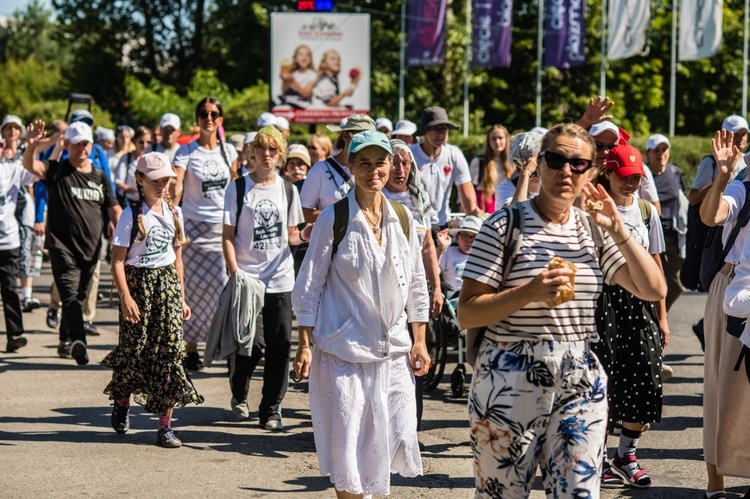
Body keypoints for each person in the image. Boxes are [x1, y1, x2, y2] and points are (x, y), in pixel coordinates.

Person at [458, 123, 666, 496]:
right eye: (556, 160)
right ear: (539, 164)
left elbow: (653, 289)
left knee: (579, 493)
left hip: (578, 371)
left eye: (578, 163)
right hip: (509, 371)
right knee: (502, 493)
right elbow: (468, 313)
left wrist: (618, 228)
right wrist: (530, 291)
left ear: (591, 170)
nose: (566, 171)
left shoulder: (594, 228)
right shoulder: (504, 225)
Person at [292, 130, 430, 497]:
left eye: (380, 162)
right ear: (350, 165)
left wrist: (420, 340)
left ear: (392, 165)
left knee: (383, 448)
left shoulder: (402, 217)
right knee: (349, 453)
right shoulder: (333, 219)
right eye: (364, 163)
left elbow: (417, 281)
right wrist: (304, 343)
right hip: (344, 353)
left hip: (392, 353)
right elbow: (309, 284)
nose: (374, 171)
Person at [103, 151, 203, 448]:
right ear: (140, 180)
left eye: (167, 179)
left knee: (171, 352)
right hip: (138, 285)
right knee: (135, 351)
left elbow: (178, 260)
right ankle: (122, 401)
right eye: (156, 180)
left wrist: (182, 297)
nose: (163, 185)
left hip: (167, 285)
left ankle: (165, 426)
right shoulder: (130, 215)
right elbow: (118, 261)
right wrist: (125, 298)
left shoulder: (175, 213)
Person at [222, 126, 307, 430]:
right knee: (252, 344)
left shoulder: (287, 190)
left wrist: (309, 231)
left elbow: (293, 234)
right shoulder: (238, 188)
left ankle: (271, 409)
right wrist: (235, 273)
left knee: (280, 345)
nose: (267, 154)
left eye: (273, 150)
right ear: (252, 153)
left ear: (281, 155)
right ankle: (239, 390)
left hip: (281, 278)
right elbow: (228, 236)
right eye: (262, 149)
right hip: (248, 279)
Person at [593, 145, 667, 489]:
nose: (631, 183)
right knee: (602, 380)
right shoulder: (592, 206)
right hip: (602, 301)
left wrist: (662, 317)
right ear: (607, 173)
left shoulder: (646, 211)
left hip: (640, 301)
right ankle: (599, 457)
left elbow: (656, 263)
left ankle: (627, 454)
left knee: (646, 378)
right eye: (624, 177)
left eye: (636, 177)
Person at [23, 120, 121, 365]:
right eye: (77, 144)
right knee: (70, 296)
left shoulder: (99, 176)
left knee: (79, 295)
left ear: (91, 145)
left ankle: (65, 339)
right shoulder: (58, 170)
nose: (82, 149)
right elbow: (31, 167)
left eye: (86, 144)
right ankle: (79, 341)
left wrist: (124, 232)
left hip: (91, 250)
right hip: (61, 247)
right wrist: (31, 147)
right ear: (67, 145)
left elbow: (114, 207)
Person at [697, 129, 750, 499]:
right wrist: (723, 175)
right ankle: (716, 480)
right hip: (734, 291)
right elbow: (711, 215)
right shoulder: (744, 185)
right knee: (722, 387)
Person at [173, 97, 238, 370]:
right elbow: (176, 187)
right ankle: (191, 349)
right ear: (197, 119)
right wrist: (167, 213)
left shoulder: (229, 152)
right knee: (192, 289)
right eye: (203, 114)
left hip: (221, 229)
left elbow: (235, 186)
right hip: (193, 229)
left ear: (220, 120)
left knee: (220, 289)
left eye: (213, 114)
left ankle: (218, 344)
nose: (208, 118)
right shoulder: (185, 152)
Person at [0, 115, 38, 353]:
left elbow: (35, 174)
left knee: (10, 289)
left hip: (9, 240)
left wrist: (33, 146)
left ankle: (14, 334)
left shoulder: (13, 169)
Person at [299, 115, 375, 223]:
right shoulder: (320, 170)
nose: (364, 143)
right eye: (359, 137)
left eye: (370, 139)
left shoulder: (375, 170)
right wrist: (342, 215)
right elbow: (304, 213)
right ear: (345, 136)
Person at [411, 106, 477, 227]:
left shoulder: (454, 154)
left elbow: (467, 194)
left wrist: (473, 222)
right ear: (424, 131)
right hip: (416, 225)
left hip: (443, 225)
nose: (440, 133)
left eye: (444, 128)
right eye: (434, 128)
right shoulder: (410, 156)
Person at [646, 133, 689, 311]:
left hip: (673, 237)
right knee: (652, 283)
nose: (661, 154)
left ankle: (658, 316)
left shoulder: (674, 172)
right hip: (650, 239)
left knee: (676, 286)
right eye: (656, 150)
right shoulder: (643, 174)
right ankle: (654, 319)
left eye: (664, 149)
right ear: (647, 153)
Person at [589, 121, 661, 212]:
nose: (605, 151)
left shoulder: (638, 167)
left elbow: (655, 210)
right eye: (598, 146)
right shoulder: (577, 170)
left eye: (611, 147)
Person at [494, 131, 544, 208]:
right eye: (533, 171)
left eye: (540, 169)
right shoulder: (506, 187)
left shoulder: (550, 187)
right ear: (517, 164)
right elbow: (515, 212)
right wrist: (526, 173)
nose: (537, 175)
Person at [470, 125, 512, 214]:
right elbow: (470, 189)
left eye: (500, 138)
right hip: (484, 204)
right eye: (493, 138)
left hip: (506, 201)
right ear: (489, 141)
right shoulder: (479, 161)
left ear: (506, 139)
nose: (497, 141)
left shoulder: (513, 161)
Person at [439, 216, 482, 295]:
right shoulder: (448, 252)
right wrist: (441, 249)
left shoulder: (483, 256)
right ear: (457, 237)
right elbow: (433, 271)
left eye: (474, 237)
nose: (469, 241)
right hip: (455, 300)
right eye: (465, 235)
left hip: (478, 297)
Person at [115, 126, 151, 205]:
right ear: (134, 141)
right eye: (141, 142)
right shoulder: (126, 158)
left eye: (148, 142)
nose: (145, 146)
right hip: (128, 202)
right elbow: (118, 183)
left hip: (145, 202)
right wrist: (134, 190)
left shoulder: (151, 159)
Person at [279, 44, 317, 109]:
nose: (304, 57)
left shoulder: (312, 74)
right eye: (300, 54)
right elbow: (284, 92)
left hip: (303, 105)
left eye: (307, 55)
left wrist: (293, 80)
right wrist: (285, 81)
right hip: (289, 103)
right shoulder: (293, 73)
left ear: (310, 59)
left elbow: (305, 94)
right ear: (295, 59)